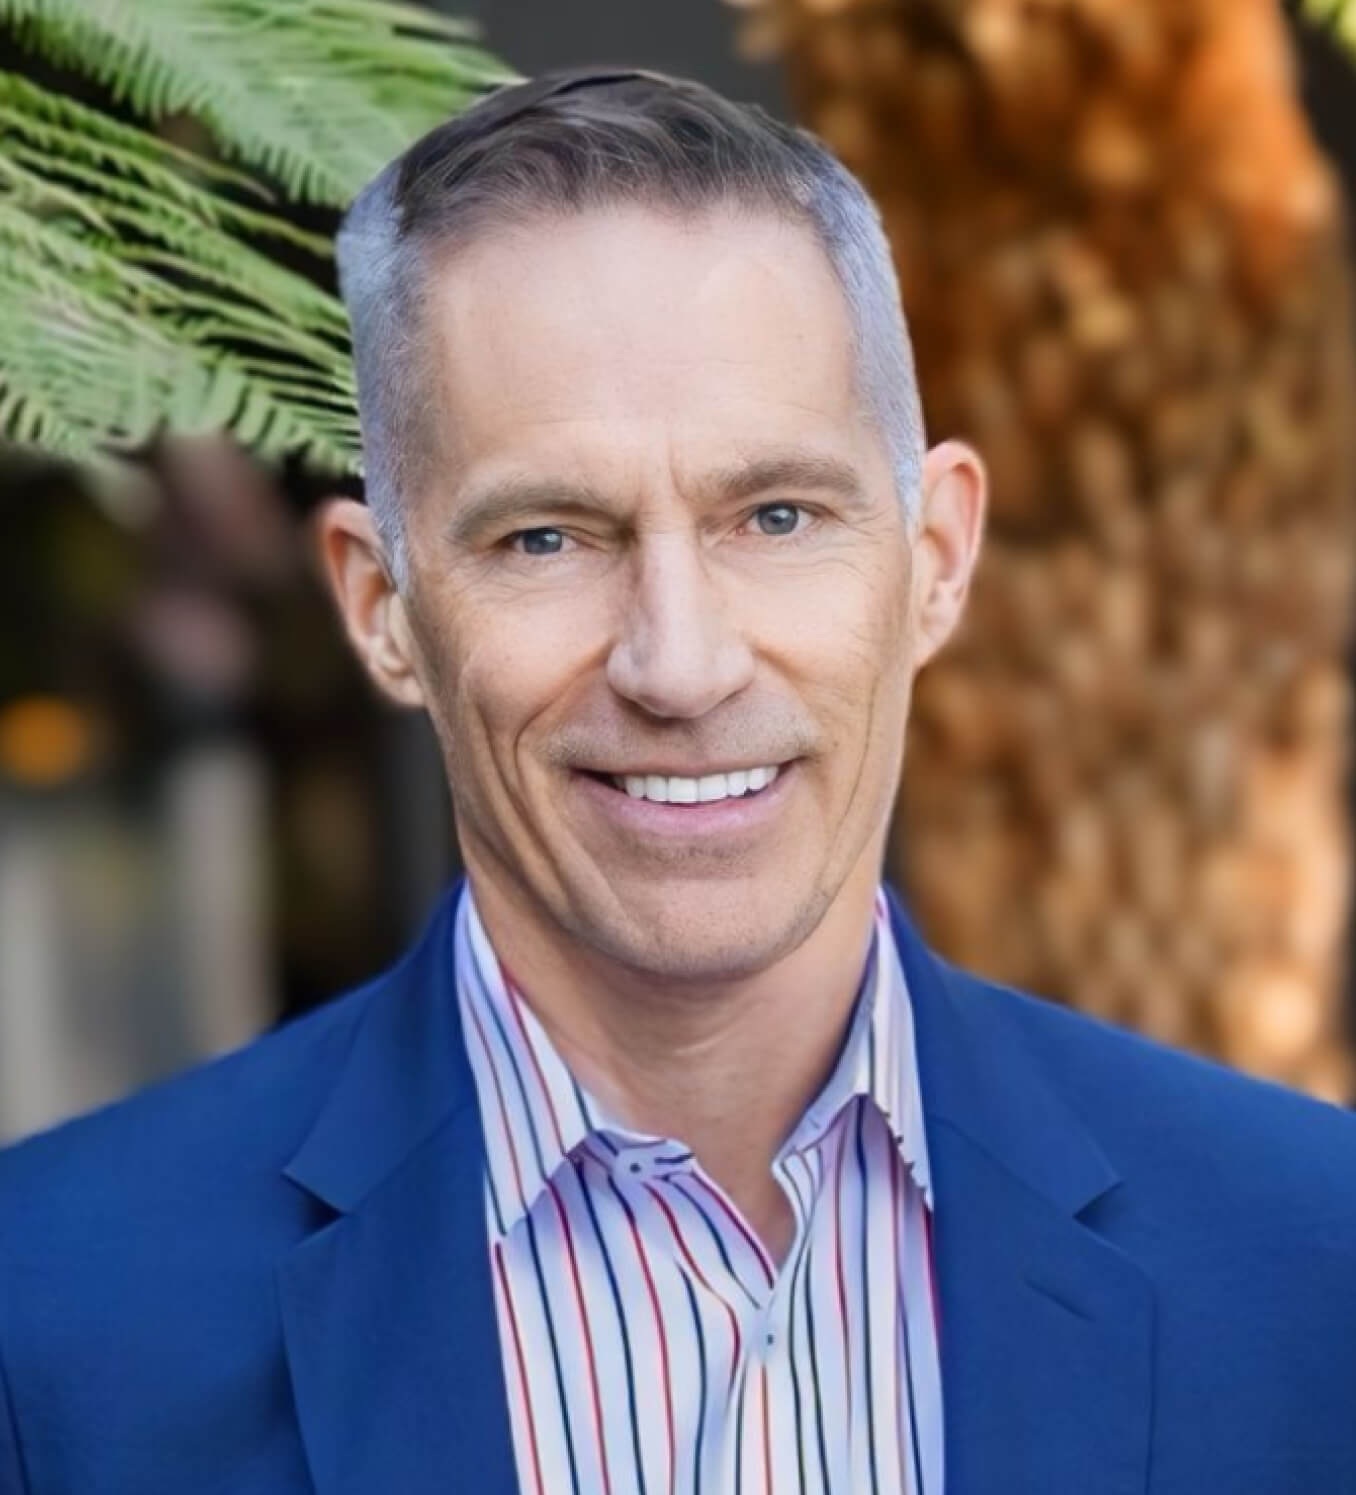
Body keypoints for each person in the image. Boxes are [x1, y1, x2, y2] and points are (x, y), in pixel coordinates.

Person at [2, 66, 1355, 1495]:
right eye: (547, 538)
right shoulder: (55, 1323)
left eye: (775, 515)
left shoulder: (1314, 1265)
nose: (681, 661)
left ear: (937, 559)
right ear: (383, 608)